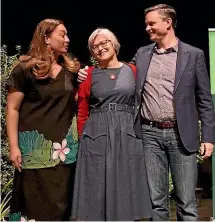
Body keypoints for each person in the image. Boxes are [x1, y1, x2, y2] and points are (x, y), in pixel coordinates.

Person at [77, 4, 215, 221]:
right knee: (156, 203)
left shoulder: (193, 55)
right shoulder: (142, 55)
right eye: (146, 24)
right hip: (149, 136)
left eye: (152, 23)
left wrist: (208, 137)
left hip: (181, 134)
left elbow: (205, 100)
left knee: (187, 203)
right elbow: (117, 71)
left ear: (167, 22)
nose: (147, 28)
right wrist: (85, 72)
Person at [71, 28, 152, 221]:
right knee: (97, 186)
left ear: (114, 44)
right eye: (94, 46)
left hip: (127, 134)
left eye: (103, 43)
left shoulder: (132, 70)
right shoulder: (88, 74)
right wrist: (82, 138)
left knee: (126, 185)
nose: (100, 48)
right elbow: (82, 110)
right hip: (96, 136)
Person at [6, 18, 80, 221]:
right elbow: (12, 109)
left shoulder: (70, 70)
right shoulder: (25, 69)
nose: (67, 39)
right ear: (46, 38)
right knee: (34, 205)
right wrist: (14, 147)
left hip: (65, 151)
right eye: (62, 34)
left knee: (61, 206)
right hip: (34, 151)